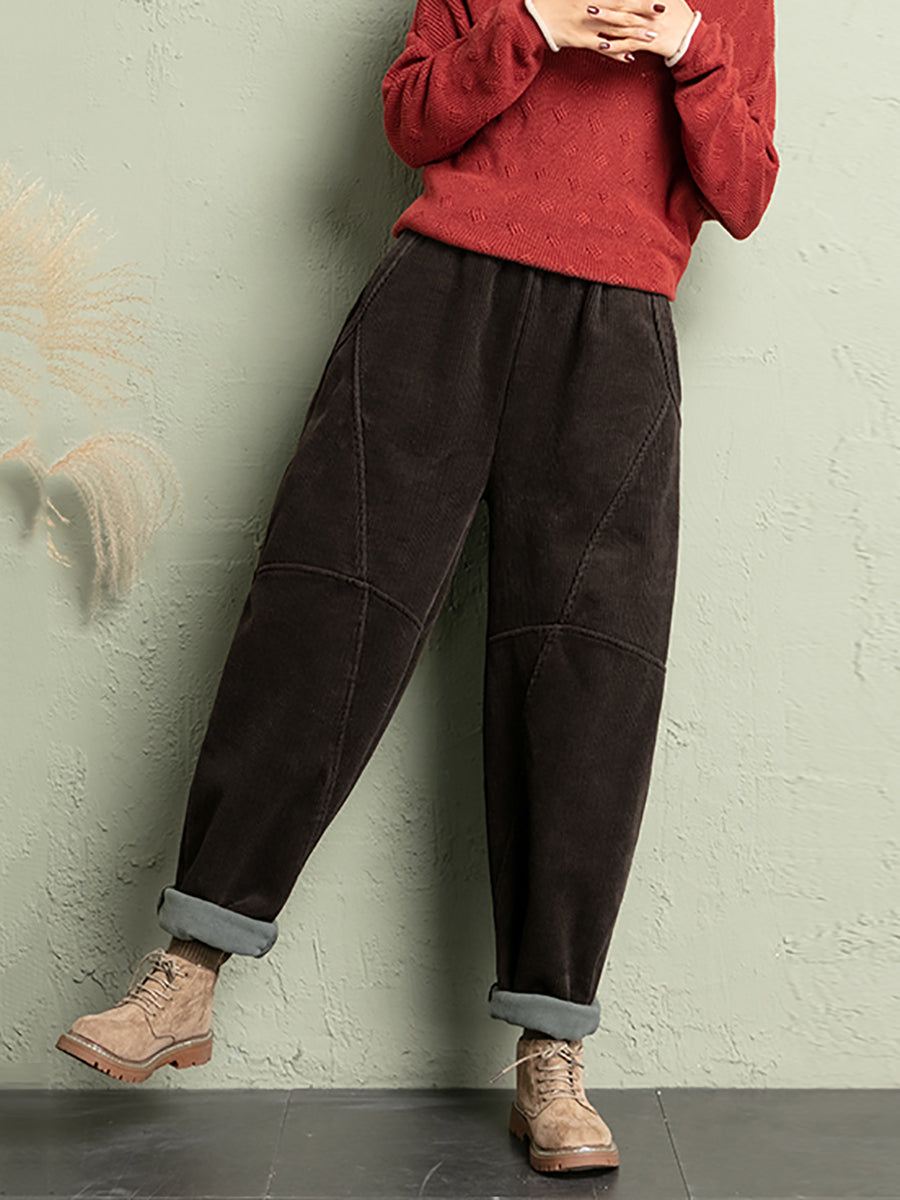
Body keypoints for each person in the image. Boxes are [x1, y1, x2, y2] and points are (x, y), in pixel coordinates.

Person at [55, 0, 778, 1174]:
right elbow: (411, 121)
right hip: (439, 295)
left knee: (589, 673)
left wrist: (689, 50)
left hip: (616, 331)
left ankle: (552, 1049)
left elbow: (745, 192)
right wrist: (533, 23)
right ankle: (187, 974)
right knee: (322, 609)